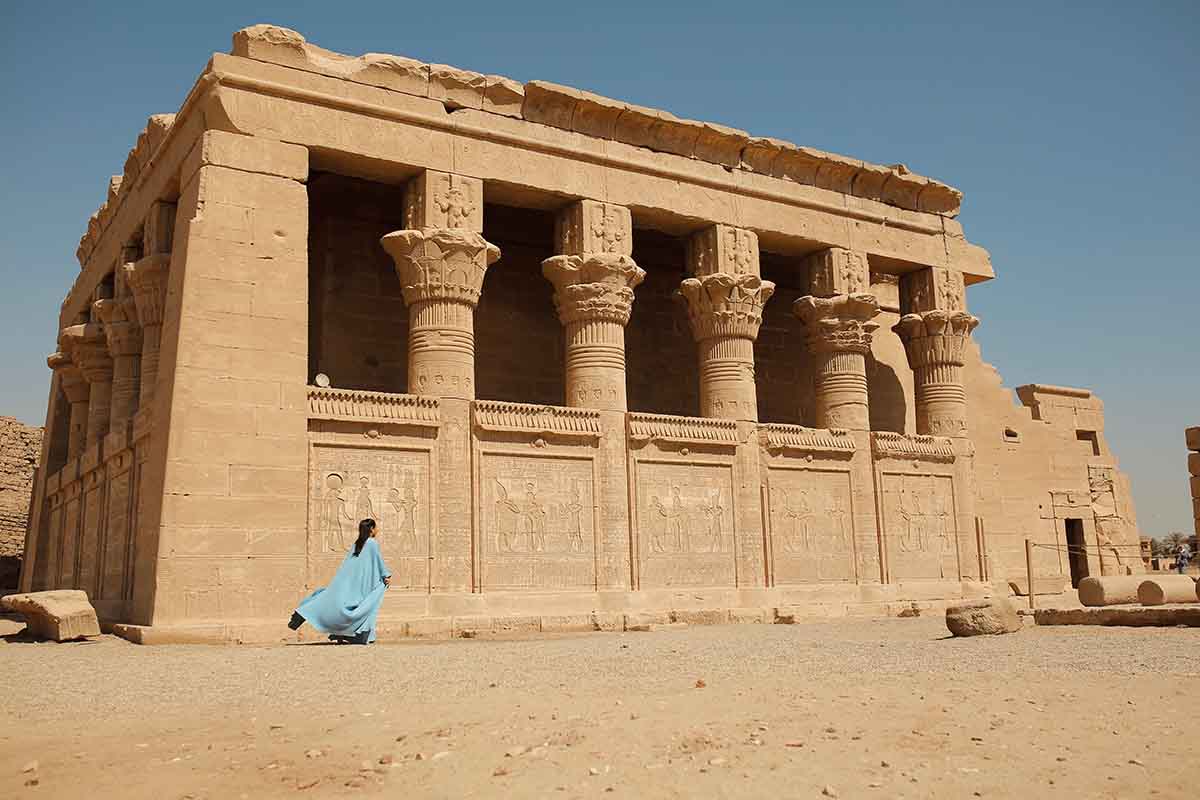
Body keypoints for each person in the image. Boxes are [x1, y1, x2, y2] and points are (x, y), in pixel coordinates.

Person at [289, 518, 391, 644]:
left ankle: (305, 611)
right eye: (376, 527)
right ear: (371, 529)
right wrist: (386, 575)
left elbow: (349, 564)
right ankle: (358, 633)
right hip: (363, 583)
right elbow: (378, 560)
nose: (377, 530)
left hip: (352, 582)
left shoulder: (357, 543)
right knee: (368, 604)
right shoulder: (372, 543)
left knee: (337, 601)